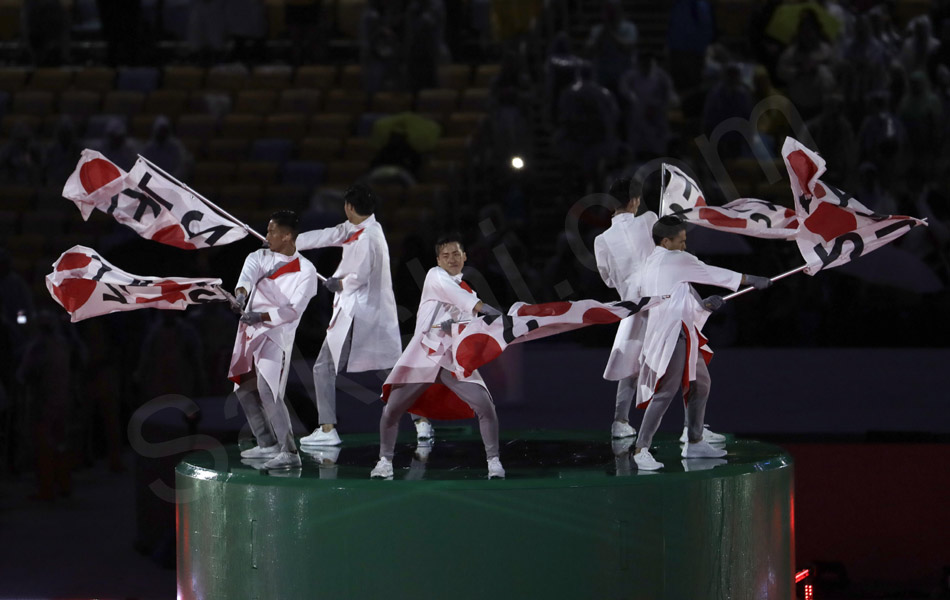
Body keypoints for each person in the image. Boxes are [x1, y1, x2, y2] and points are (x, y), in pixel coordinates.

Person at [632, 216, 771, 470]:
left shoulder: (653, 261)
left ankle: (695, 442)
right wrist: (751, 279)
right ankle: (641, 448)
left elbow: (677, 294)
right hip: (672, 333)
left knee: (701, 383)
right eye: (681, 241)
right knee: (666, 391)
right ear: (666, 241)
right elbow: (711, 273)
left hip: (682, 330)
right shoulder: (674, 258)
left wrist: (704, 306)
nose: (685, 246)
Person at [371, 234, 504, 479]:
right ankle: (384, 461)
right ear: (438, 260)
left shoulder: (468, 290)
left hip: (452, 362)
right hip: (423, 357)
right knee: (392, 410)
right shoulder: (435, 276)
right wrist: (487, 309)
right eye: (446, 255)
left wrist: (499, 327)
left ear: (465, 257)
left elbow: (469, 328)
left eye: (456, 254)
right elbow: (463, 300)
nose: (451, 259)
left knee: (485, 406)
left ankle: (494, 462)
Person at [295, 184, 404, 447]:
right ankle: (423, 422)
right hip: (361, 313)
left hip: (359, 314)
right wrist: (289, 243)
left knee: (324, 367)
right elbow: (325, 235)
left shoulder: (369, 237)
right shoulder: (355, 228)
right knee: (394, 371)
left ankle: (327, 428)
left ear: (349, 207)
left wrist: (339, 284)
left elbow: (362, 275)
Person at [228, 211, 319, 470]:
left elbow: (292, 311)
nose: (266, 236)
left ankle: (289, 451)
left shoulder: (307, 270)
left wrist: (261, 315)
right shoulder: (258, 256)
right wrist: (241, 296)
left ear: (287, 235)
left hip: (276, 333)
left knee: (269, 389)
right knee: (244, 387)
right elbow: (245, 279)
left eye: (271, 231)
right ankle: (266, 442)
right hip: (249, 329)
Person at [593, 177, 658, 440]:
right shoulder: (650, 218)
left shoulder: (601, 240)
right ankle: (694, 430)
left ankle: (620, 421)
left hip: (632, 305)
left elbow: (607, 279)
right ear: (635, 201)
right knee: (687, 360)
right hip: (663, 300)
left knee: (630, 367)